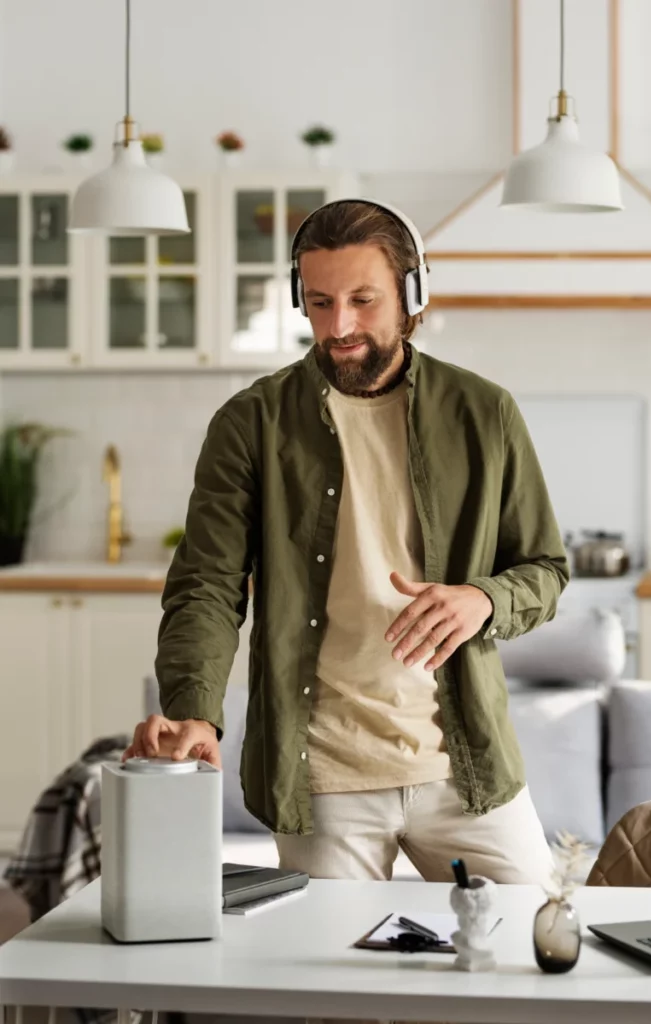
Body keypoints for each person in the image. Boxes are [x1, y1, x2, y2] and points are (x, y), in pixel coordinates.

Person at [125, 199, 569, 886]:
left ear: (411, 293)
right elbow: (205, 587)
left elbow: (544, 569)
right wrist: (194, 713)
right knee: (331, 989)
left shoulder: (485, 413)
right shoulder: (251, 423)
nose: (340, 326)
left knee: (531, 956)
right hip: (323, 776)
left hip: (466, 770)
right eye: (320, 302)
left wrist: (481, 600)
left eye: (363, 300)